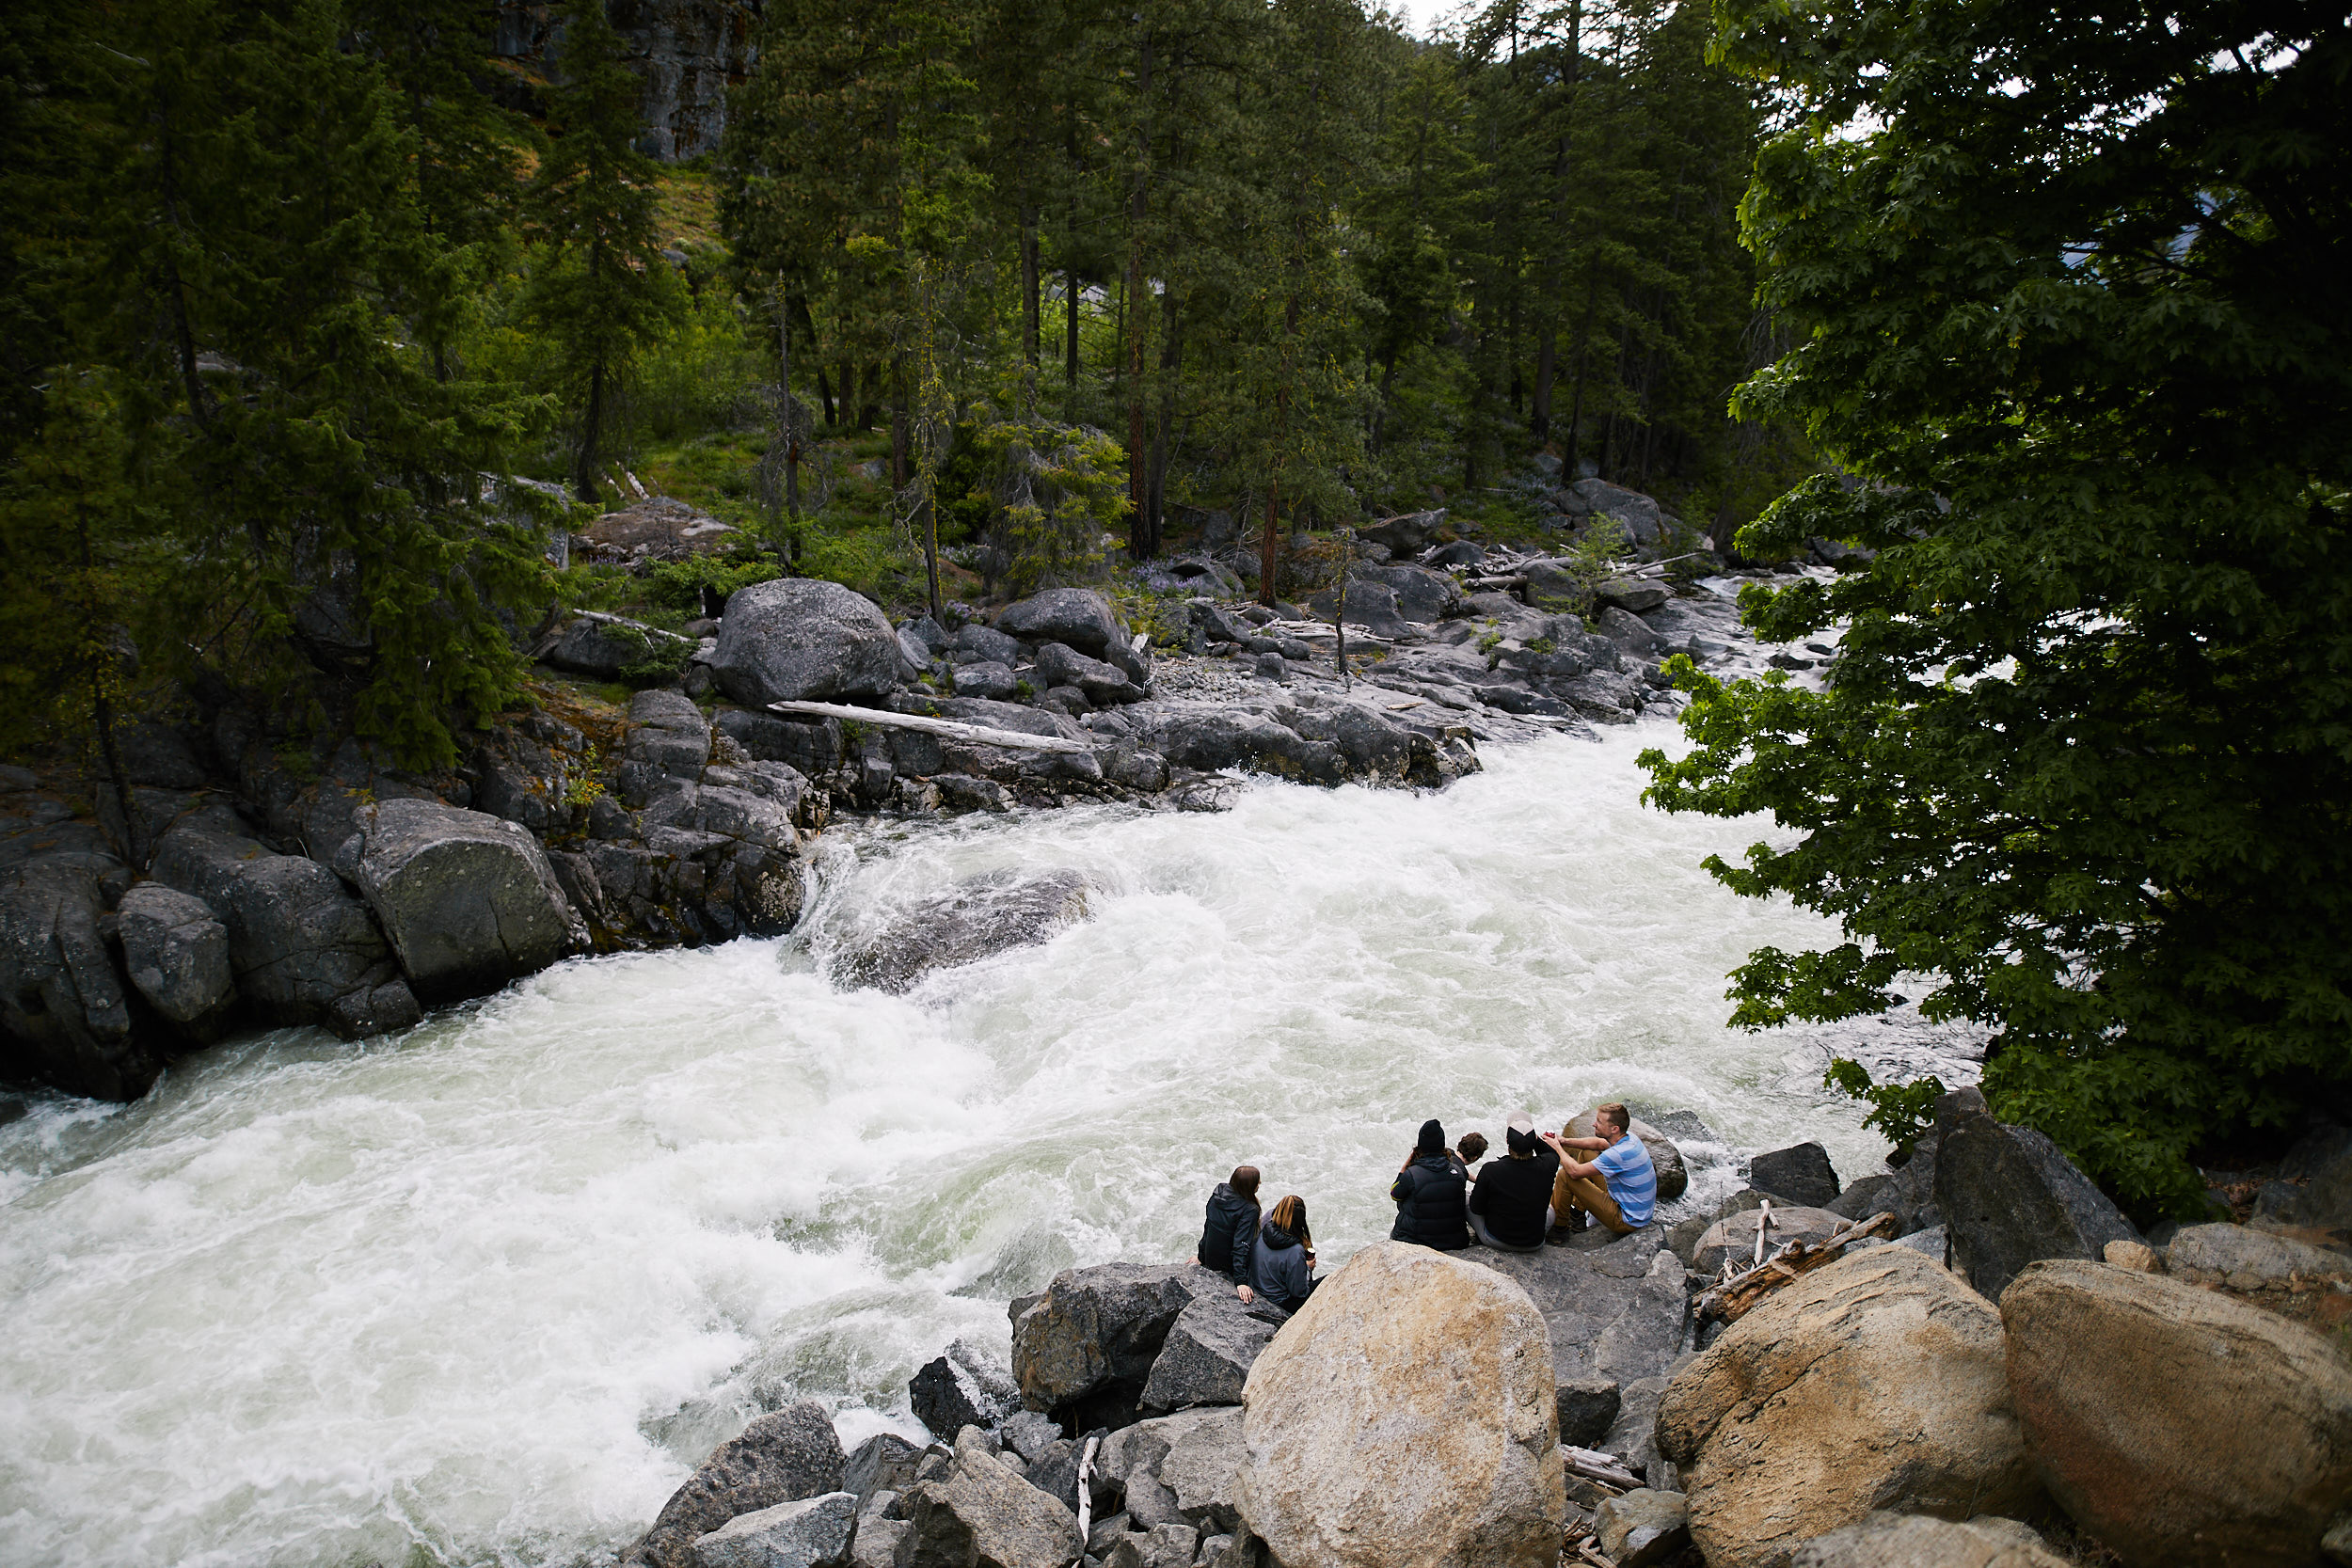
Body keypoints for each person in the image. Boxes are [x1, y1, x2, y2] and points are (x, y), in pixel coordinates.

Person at [1543, 1102, 1657, 1240]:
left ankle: (1559, 1229)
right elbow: (1597, 1144)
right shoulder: (1629, 1138)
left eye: (1599, 1122)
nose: (1594, 1124)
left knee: (1565, 1175)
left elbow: (1575, 1172)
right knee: (1587, 1153)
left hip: (1626, 1220)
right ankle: (1578, 1214)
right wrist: (1565, 1141)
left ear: (1614, 1129)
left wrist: (1556, 1148)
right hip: (1634, 1208)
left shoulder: (1618, 1154)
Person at [1468, 1111, 1561, 1252]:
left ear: (1507, 1141)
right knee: (1551, 1211)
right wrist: (1532, 1138)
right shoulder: (1549, 1164)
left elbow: (1476, 1208)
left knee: (1466, 1198)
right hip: (1534, 1242)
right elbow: (1551, 1152)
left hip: (1496, 1239)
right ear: (1534, 1141)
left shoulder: (1491, 1170)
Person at [1390, 1118, 1470, 1250]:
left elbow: (1394, 1194)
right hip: (1454, 1241)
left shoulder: (1412, 1174)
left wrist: (1403, 1169)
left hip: (1416, 1241)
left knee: (1406, 1197)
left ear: (1421, 1146)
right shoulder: (1458, 1172)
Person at [1248, 1195, 1319, 1313]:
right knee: (1328, 1280)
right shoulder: (1295, 1251)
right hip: (1279, 1301)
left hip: (1257, 1288)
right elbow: (1299, 1292)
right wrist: (1307, 1268)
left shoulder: (1265, 1227)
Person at [1199, 1164, 1261, 1297]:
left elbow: (1208, 1227)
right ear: (1249, 1186)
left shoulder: (1218, 1195)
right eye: (1257, 1181)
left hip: (1211, 1258)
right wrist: (1241, 1281)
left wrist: (1201, 1256)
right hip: (1228, 1265)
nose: (1260, 1183)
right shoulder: (1250, 1210)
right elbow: (1242, 1244)